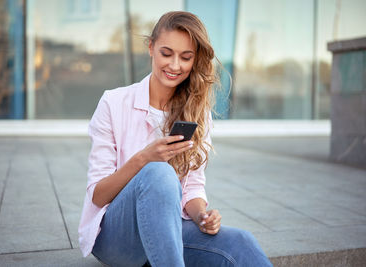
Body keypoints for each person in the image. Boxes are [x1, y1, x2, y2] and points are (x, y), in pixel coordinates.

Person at [78, 11, 273, 267]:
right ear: (151, 48)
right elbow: (98, 196)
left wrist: (202, 215)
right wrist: (144, 159)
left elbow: (192, 187)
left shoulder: (197, 112)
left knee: (241, 243)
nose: (174, 66)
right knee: (158, 173)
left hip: (168, 230)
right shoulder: (113, 103)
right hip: (117, 240)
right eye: (166, 53)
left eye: (186, 57)